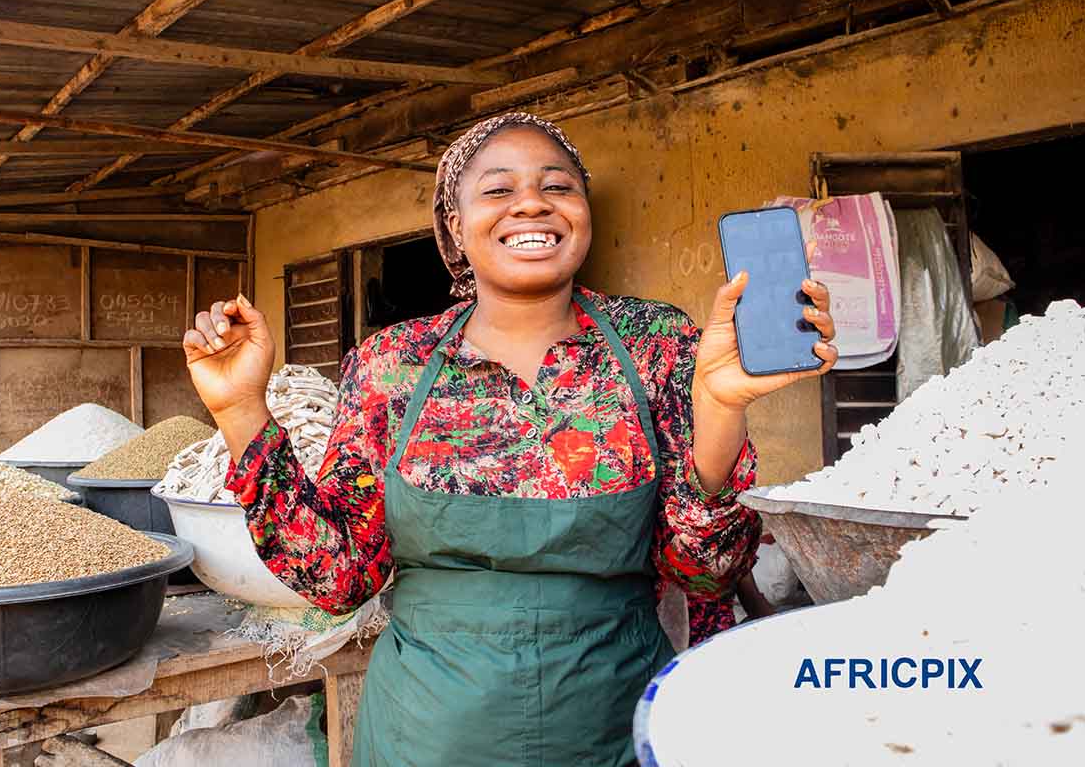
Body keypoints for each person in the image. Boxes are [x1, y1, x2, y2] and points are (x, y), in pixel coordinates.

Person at [183, 112, 837, 766]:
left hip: (617, 730)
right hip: (427, 739)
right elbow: (335, 576)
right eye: (498, 190)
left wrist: (721, 407)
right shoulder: (394, 363)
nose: (532, 202)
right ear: (455, 228)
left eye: (558, 186)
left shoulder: (655, 342)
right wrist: (242, 409)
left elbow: (707, 569)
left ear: (582, 213)